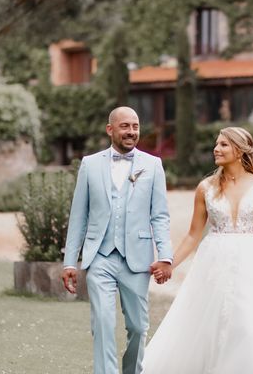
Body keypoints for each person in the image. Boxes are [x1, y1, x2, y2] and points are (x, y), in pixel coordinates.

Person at [143, 127, 253, 373]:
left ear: (240, 151)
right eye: (216, 145)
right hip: (214, 263)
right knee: (209, 325)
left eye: (223, 145)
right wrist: (169, 263)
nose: (216, 149)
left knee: (250, 324)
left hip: (252, 262)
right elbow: (193, 234)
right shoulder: (205, 187)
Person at [62, 106, 173, 374]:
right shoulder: (90, 164)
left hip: (137, 259)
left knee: (138, 326)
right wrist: (69, 262)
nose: (131, 132)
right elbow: (79, 216)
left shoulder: (153, 165)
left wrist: (165, 256)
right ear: (110, 130)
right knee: (102, 321)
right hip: (100, 256)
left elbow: (160, 216)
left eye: (135, 126)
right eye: (125, 126)